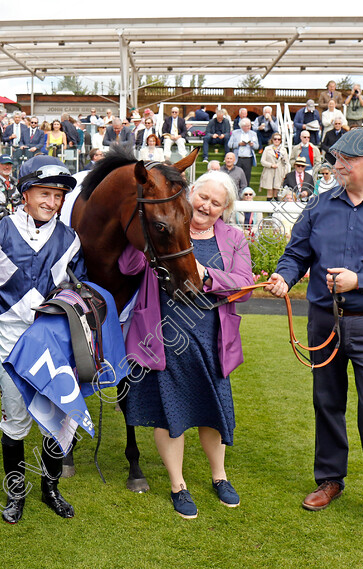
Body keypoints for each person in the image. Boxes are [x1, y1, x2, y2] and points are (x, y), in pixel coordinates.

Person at [266, 128, 363, 540]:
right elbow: (297, 253)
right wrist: (284, 277)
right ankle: (330, 480)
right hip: (323, 321)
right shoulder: (319, 205)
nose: (339, 164)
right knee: (327, 403)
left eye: (348, 159)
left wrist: (361, 280)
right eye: (337, 157)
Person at [123, 170, 253, 519]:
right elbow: (127, 265)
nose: (207, 206)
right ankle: (178, 483)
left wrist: (207, 274)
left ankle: (219, 476)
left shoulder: (233, 238)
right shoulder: (164, 225)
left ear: (225, 209)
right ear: (190, 193)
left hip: (212, 337)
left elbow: (244, 283)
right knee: (170, 414)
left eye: (216, 203)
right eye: (203, 197)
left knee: (213, 410)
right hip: (164, 337)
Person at [0, 156, 85, 524]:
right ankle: (15, 492)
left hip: (53, 337)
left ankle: (51, 488)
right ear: (25, 193)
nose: (51, 202)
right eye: (44, 193)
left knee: (56, 414)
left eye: (58, 196)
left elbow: (75, 288)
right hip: (13, 338)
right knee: (16, 417)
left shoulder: (70, 239)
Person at [227, 118, 259, 185]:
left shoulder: (253, 134)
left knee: (247, 176)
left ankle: (246, 192)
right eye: (246, 126)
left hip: (248, 158)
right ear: (242, 126)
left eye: (249, 125)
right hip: (238, 158)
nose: (248, 127)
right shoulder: (235, 133)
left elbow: (257, 146)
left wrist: (252, 144)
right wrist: (238, 144)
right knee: (236, 175)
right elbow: (230, 144)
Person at [260, 133, 289, 200]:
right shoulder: (267, 149)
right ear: (272, 140)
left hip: (279, 172)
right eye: (275, 139)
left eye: (279, 139)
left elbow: (286, 163)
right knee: (269, 190)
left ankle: (276, 208)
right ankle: (268, 208)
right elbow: (262, 161)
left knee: (276, 190)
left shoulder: (283, 150)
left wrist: (285, 173)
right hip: (269, 172)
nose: (277, 141)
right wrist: (271, 165)